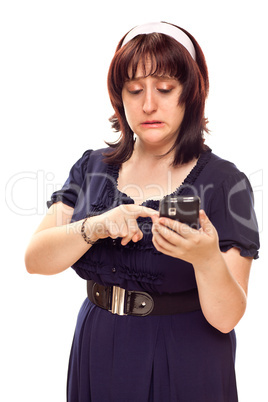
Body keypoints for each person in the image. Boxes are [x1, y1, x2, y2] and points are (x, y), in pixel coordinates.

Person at [25, 22, 260, 402]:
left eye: (165, 89)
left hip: (186, 357)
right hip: (98, 345)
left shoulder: (226, 182)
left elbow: (228, 317)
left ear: (191, 93)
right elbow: (35, 260)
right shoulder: (92, 167)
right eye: (134, 90)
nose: (148, 104)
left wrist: (205, 259)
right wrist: (95, 226)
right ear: (120, 98)